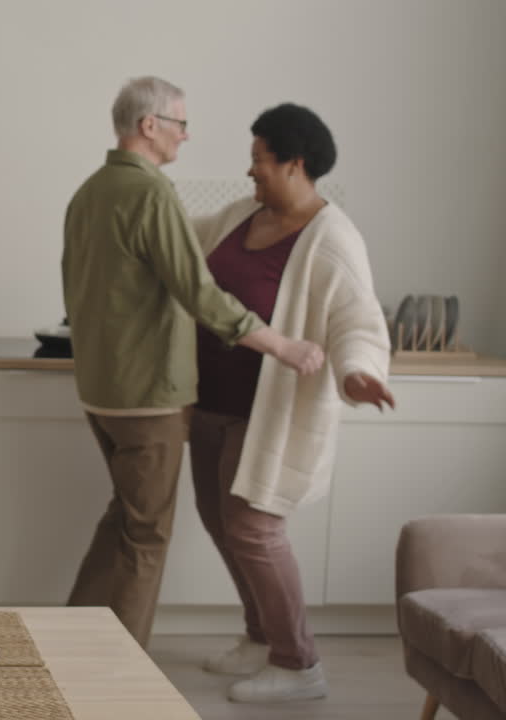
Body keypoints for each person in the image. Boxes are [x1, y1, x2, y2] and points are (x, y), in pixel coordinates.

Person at [60, 76, 326, 649]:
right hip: (147, 398)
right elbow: (199, 292)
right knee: (148, 538)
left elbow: (74, 290)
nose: (186, 135)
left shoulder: (88, 192)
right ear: (149, 125)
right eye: (180, 123)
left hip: (99, 393)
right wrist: (282, 345)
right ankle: (114, 679)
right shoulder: (152, 194)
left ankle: (64, 642)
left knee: (124, 520)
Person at [190, 103, 392, 703]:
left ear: (294, 164)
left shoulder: (333, 238)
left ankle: (299, 662)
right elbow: (181, 252)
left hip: (269, 415)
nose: (250, 171)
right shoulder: (239, 214)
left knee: (254, 529)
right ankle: (259, 637)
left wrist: (358, 373)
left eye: (259, 160)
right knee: (220, 523)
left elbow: (358, 321)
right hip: (211, 403)